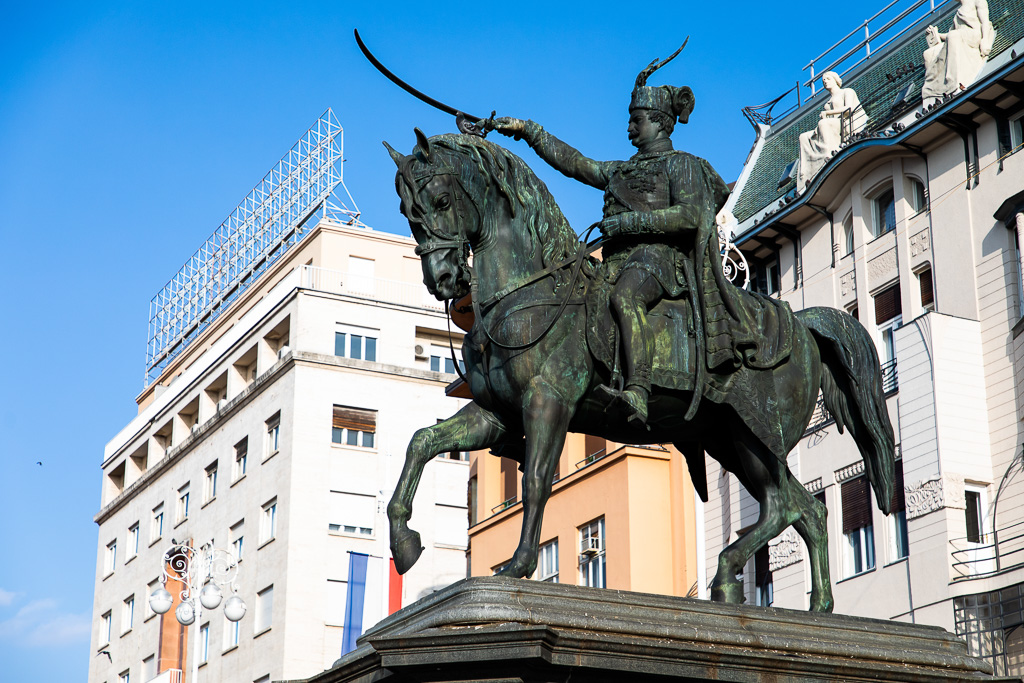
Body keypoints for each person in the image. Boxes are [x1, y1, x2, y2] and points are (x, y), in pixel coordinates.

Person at [492, 47, 730, 426]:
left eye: (637, 120)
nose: (629, 128)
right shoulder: (619, 170)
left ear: (660, 122)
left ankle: (638, 389)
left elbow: (689, 215)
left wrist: (628, 224)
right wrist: (527, 131)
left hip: (660, 260)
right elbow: (575, 163)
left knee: (626, 297)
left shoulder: (682, 164)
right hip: (617, 261)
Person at [796, 71, 866, 189]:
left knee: (823, 124)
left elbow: (848, 109)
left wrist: (827, 113)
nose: (825, 81)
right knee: (803, 137)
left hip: (847, 122)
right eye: (823, 80)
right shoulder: (827, 103)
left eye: (828, 79)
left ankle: (828, 155)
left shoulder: (847, 91)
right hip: (833, 126)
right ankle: (805, 173)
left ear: (835, 80)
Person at [922, 0, 994, 101]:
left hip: (974, 35)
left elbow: (985, 22)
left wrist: (985, 40)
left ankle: (952, 82)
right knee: (928, 54)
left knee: (953, 36)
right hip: (959, 36)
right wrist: (936, 35)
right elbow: (951, 34)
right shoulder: (958, 12)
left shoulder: (978, 1)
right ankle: (932, 93)